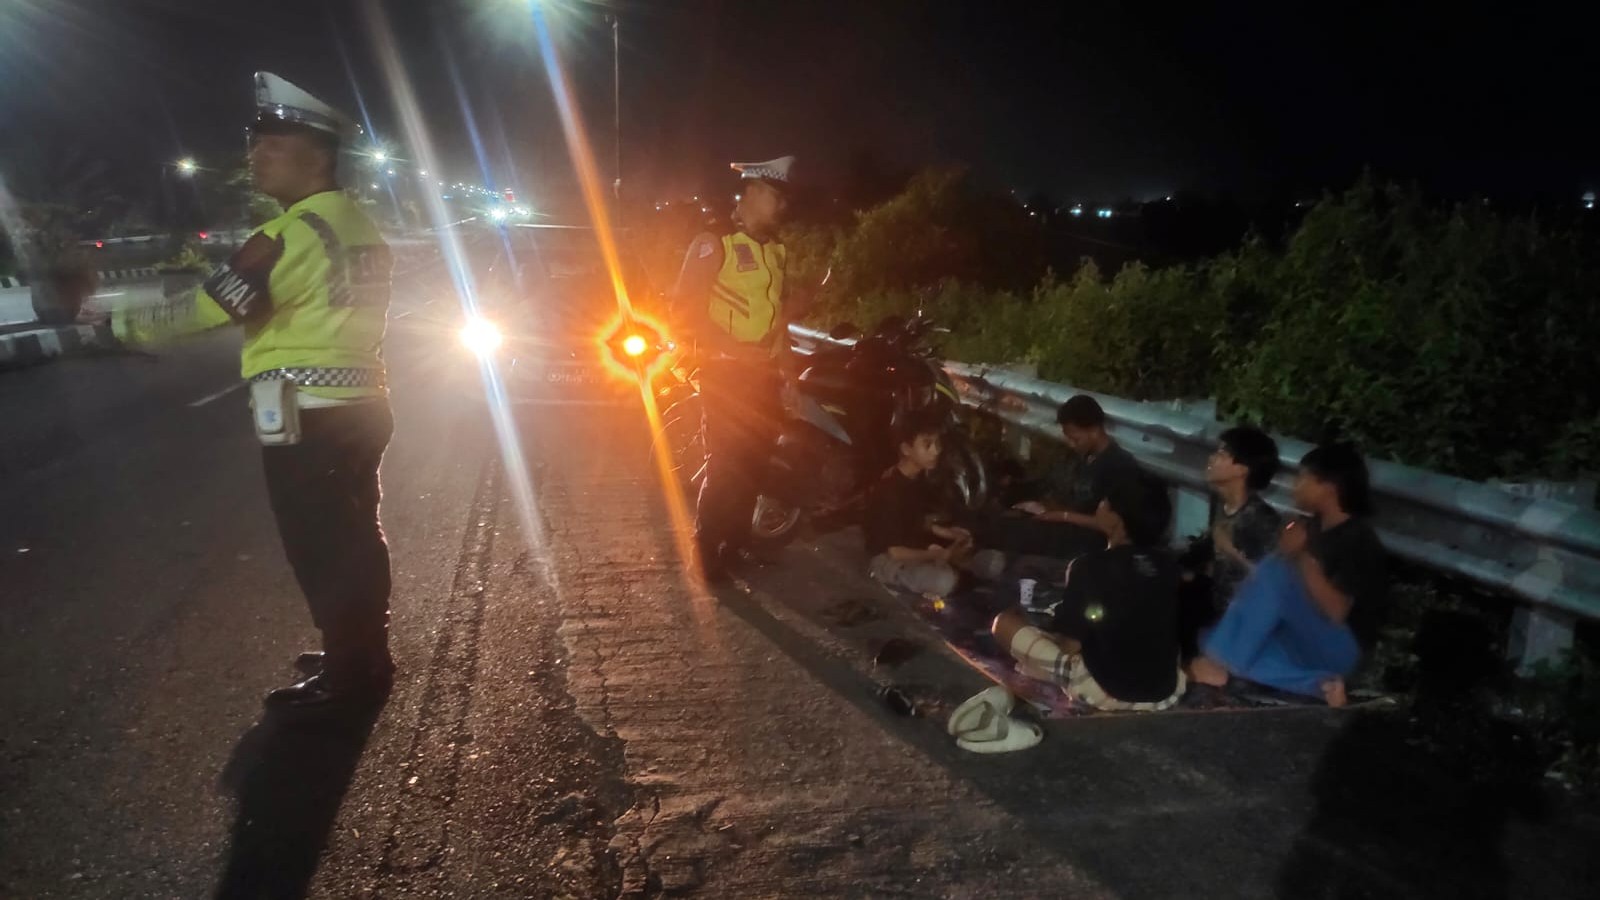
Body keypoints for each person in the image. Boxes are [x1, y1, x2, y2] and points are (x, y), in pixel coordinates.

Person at [193, 73, 396, 713]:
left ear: (318, 157)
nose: (255, 156)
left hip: (308, 418)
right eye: (256, 144)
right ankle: (361, 651)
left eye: (272, 145)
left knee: (321, 546)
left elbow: (207, 307)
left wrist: (113, 326)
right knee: (357, 534)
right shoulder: (358, 224)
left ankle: (349, 679)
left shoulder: (289, 234)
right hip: (363, 405)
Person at [670, 156, 799, 582]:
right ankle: (706, 554)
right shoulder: (715, 242)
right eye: (775, 196)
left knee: (755, 465)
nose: (781, 206)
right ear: (752, 193)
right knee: (725, 466)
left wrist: (789, 377)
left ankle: (736, 545)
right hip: (726, 376)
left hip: (764, 377)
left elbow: (778, 321)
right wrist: (732, 350)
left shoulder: (776, 251)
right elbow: (683, 311)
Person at [1189, 443, 1388, 707]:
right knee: (1214, 639)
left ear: (1329, 486)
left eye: (1303, 478)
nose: (1295, 486)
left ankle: (1219, 664)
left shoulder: (1357, 538)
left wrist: (1300, 556)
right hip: (1302, 641)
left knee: (1275, 572)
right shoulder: (1311, 528)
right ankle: (1322, 686)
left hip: (1341, 648)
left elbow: (1336, 612)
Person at [991, 479, 1186, 711]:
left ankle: (1045, 673)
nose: (1099, 505)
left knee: (1004, 623)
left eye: (1105, 502)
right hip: (1165, 693)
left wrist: (1052, 628)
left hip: (1107, 692)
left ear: (1116, 520)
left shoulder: (1088, 566)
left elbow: (1070, 646)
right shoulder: (1170, 566)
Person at [983, 394, 1147, 564]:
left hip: (1084, 540)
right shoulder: (1079, 457)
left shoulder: (1119, 466)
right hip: (1059, 522)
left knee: (1006, 532)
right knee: (997, 519)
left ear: (1094, 430)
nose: (1071, 444)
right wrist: (1020, 493)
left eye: (1075, 439)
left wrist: (1062, 516)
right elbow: (1051, 485)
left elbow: (1114, 525)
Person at [864, 413, 1005, 596]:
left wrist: (951, 534)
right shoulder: (888, 490)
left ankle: (958, 574)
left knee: (993, 561)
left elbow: (920, 522)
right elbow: (894, 551)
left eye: (937, 444)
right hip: (888, 558)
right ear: (906, 449)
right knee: (942, 580)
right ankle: (957, 577)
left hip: (921, 550)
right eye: (927, 445)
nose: (936, 451)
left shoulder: (920, 479)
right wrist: (939, 555)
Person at [1179, 426, 1283, 659]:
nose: (1212, 459)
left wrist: (1230, 550)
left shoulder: (1261, 519)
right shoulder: (1225, 506)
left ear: (1242, 470)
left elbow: (1276, 584)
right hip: (1217, 611)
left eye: (1222, 454)